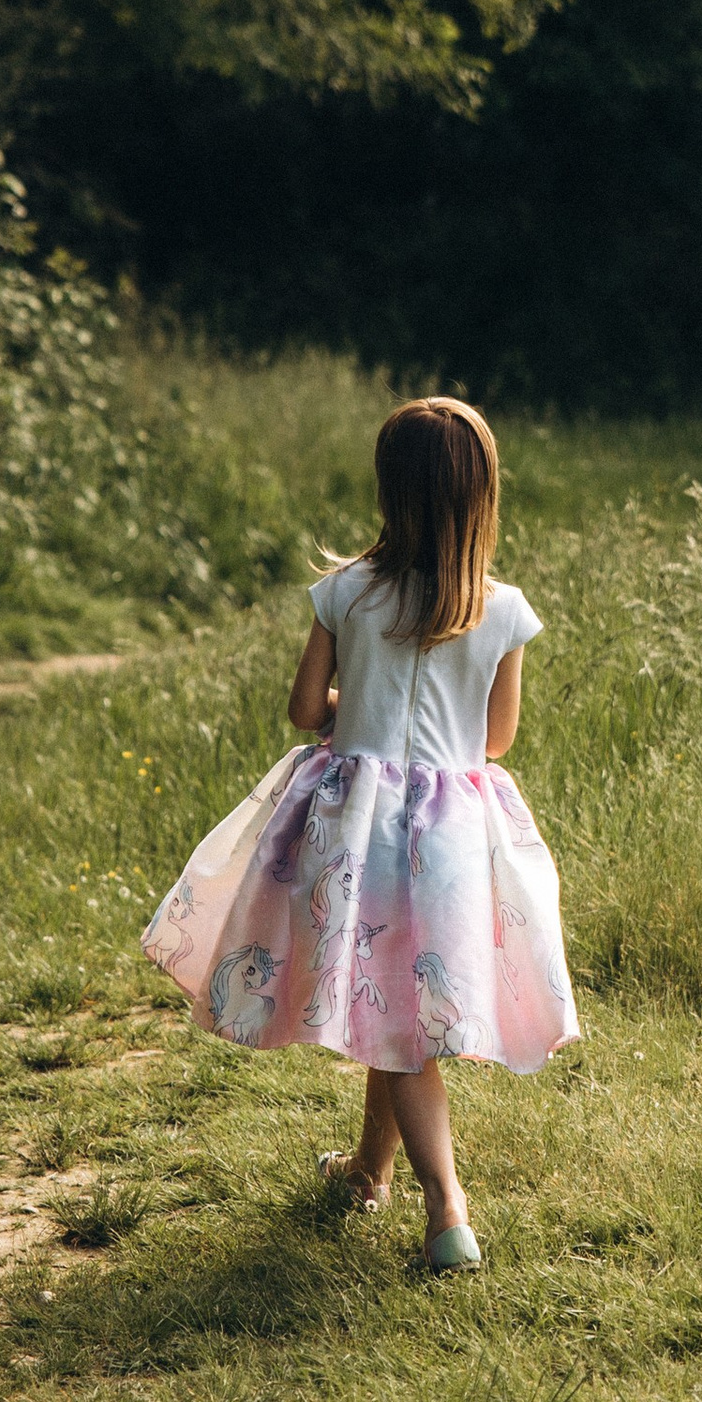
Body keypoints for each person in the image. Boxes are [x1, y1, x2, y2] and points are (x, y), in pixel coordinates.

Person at [142, 394, 577, 1272]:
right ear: (483, 495)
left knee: (404, 1024)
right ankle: (366, 1174)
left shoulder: (347, 591)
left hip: (355, 833)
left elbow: (307, 710)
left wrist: (359, 707)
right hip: (452, 840)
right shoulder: (502, 610)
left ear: (390, 490)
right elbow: (493, 741)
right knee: (396, 1000)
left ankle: (447, 1210)